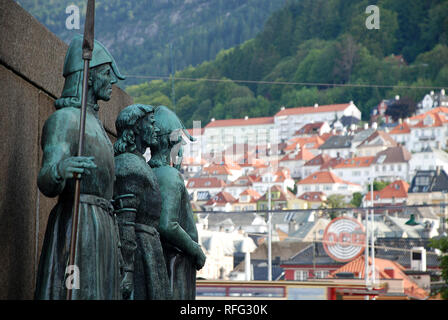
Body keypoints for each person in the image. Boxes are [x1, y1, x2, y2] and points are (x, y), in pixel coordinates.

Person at [35, 35, 125, 300]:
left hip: (103, 227)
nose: (112, 82)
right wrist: (61, 170)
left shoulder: (96, 124)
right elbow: (45, 178)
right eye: (106, 74)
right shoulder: (64, 120)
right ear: (88, 76)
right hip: (79, 221)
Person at [113, 104, 171, 300]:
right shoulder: (129, 166)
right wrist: (127, 270)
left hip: (148, 249)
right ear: (137, 127)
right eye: (151, 123)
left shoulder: (139, 164)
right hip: (140, 253)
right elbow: (125, 222)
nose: (156, 129)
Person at [149, 106, 206, 299]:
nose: (181, 148)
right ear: (171, 141)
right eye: (180, 142)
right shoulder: (170, 175)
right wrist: (195, 249)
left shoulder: (149, 171)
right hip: (175, 262)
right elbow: (168, 225)